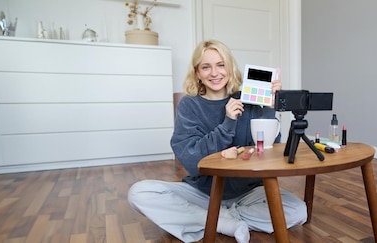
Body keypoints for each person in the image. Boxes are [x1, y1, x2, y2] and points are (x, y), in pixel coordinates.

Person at [128, 39, 307, 243]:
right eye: (206, 67)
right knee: (139, 193)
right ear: (197, 73)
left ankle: (215, 218)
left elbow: (265, 151)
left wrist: (269, 106)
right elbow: (192, 162)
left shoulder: (249, 99)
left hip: (248, 191)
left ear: (230, 68)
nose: (214, 73)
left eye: (221, 65)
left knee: (298, 211)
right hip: (204, 192)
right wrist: (228, 123)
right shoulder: (189, 105)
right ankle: (224, 222)